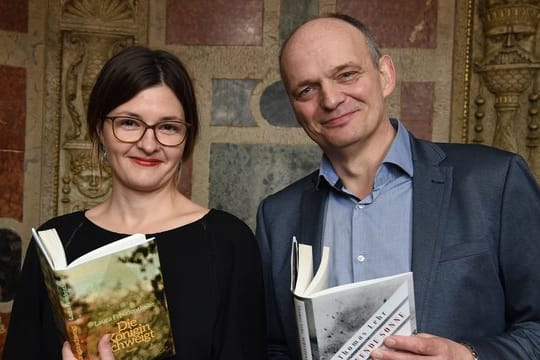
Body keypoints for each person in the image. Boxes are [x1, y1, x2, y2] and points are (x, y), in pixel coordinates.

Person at [256, 13, 540, 360]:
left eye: (346, 74)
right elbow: (275, 348)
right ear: (294, 107)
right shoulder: (277, 216)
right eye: (307, 89)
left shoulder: (494, 181)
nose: (330, 100)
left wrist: (467, 356)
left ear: (385, 75)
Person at [4, 46, 266, 359]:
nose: (148, 143)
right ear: (99, 130)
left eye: (168, 127)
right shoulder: (55, 242)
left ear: (187, 138)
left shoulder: (228, 241)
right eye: (129, 123)